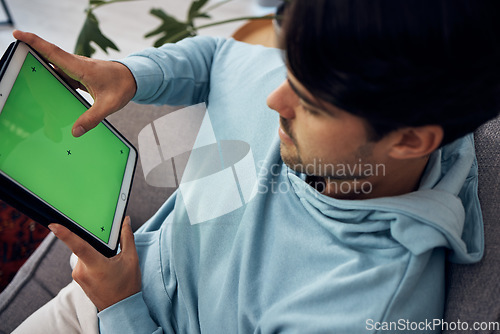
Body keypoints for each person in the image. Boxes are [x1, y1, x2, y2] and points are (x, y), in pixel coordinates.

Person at [11, 0, 500, 332]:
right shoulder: (337, 73)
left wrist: (121, 305)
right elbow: (220, 58)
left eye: (310, 103)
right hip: (100, 295)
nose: (274, 99)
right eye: (290, 68)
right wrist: (128, 75)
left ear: (410, 139)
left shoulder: (360, 307)